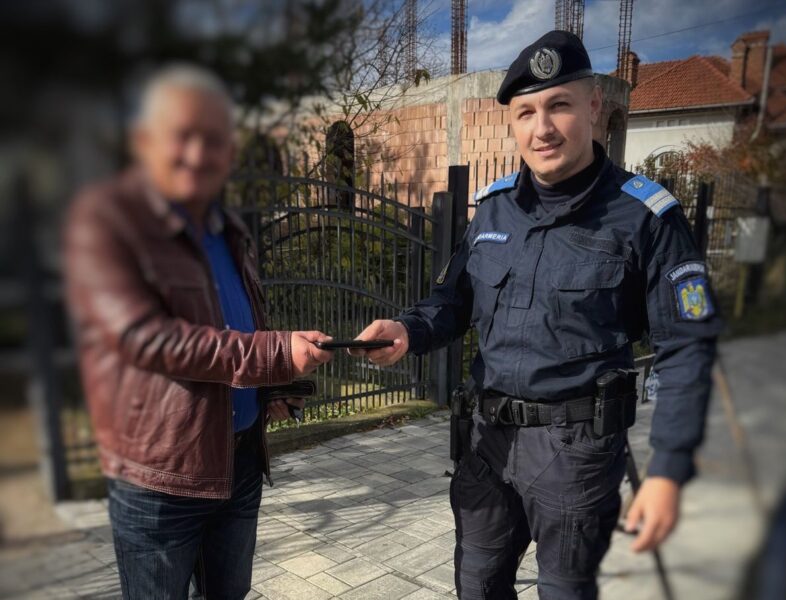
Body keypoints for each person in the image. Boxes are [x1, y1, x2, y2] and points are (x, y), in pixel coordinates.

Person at [352, 30, 722, 599]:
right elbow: (452, 301)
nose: (542, 128)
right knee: (476, 585)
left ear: (593, 106)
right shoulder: (493, 209)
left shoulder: (646, 217)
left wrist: (669, 468)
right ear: (513, 122)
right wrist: (407, 329)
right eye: (526, 112)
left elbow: (687, 349)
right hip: (486, 443)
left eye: (559, 106)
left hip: (576, 454)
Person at [63, 64, 334, 600]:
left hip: (238, 464)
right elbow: (147, 337)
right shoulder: (108, 222)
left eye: (214, 139)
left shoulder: (228, 228)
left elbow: (237, 324)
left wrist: (270, 388)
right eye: (181, 134)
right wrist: (275, 353)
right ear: (144, 141)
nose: (198, 153)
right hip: (160, 478)